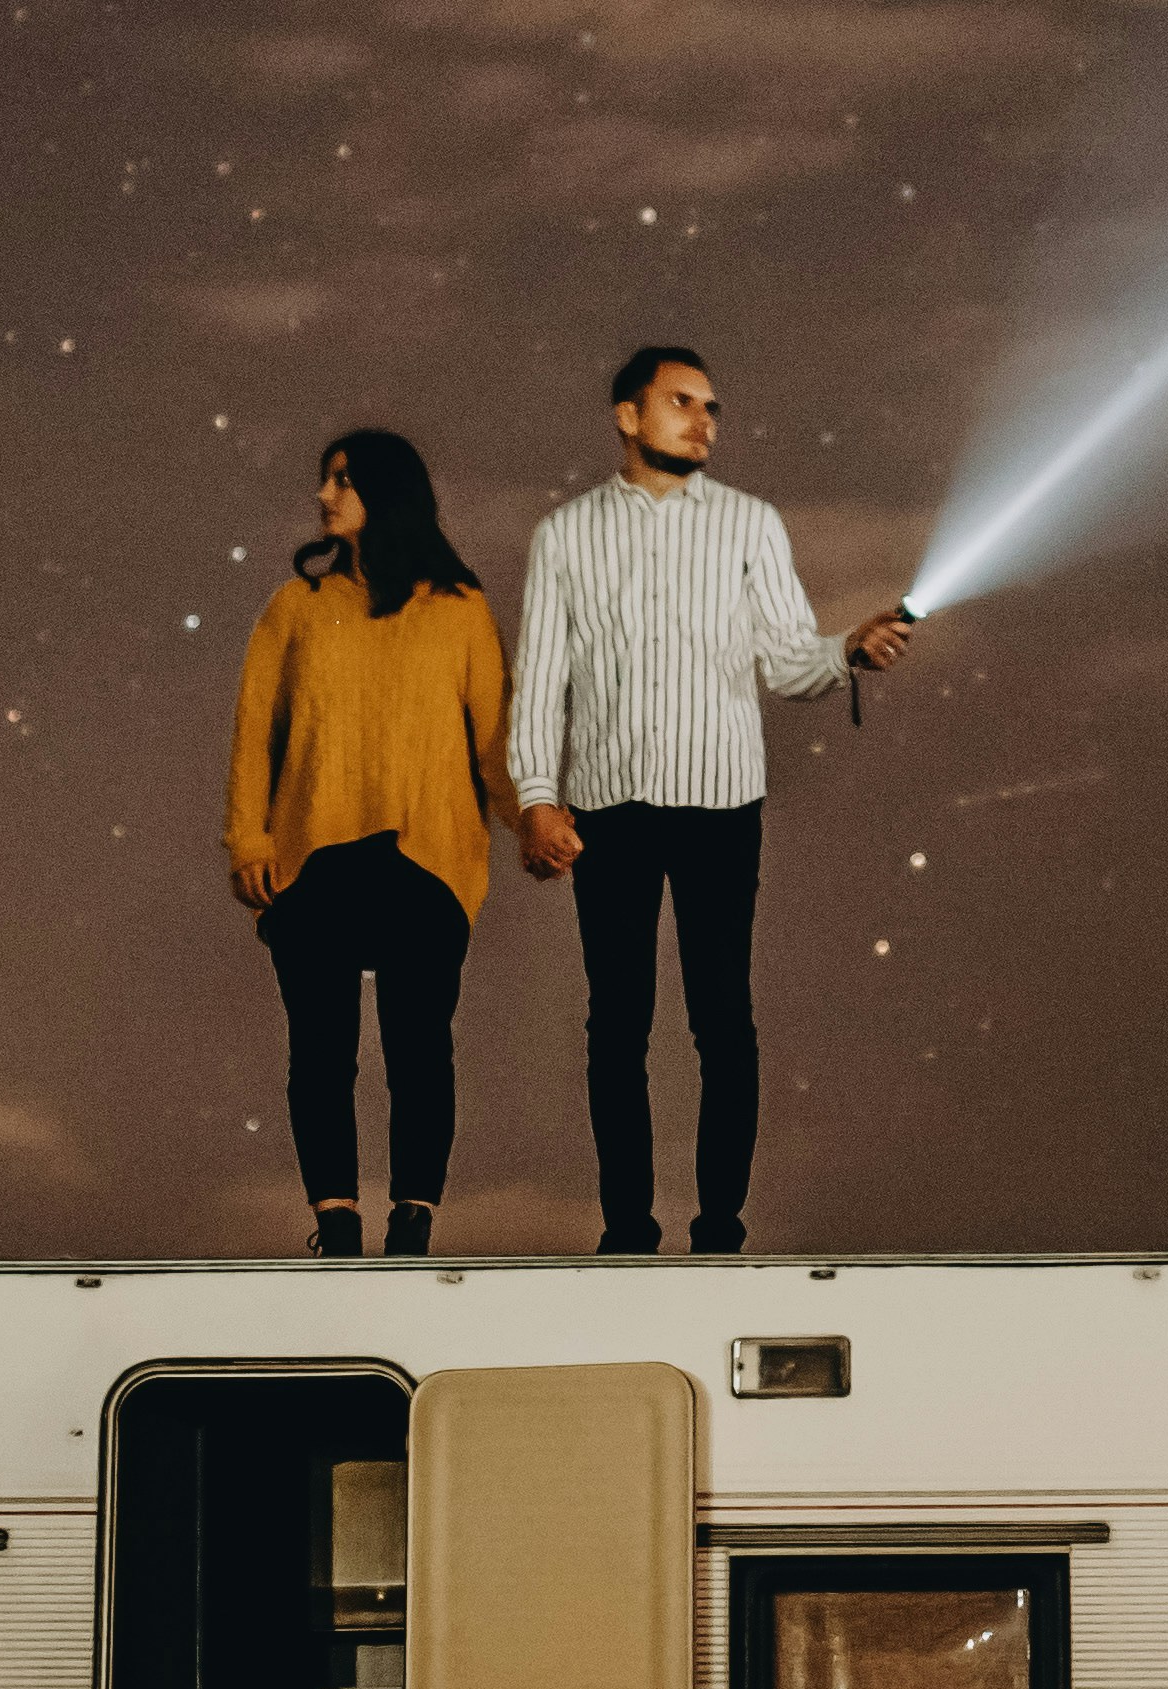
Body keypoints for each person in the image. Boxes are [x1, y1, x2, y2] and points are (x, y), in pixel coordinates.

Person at [507, 340, 908, 1259]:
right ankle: (628, 1231)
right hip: (608, 803)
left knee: (723, 1018)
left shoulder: (752, 524)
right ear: (628, 416)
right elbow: (541, 680)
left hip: (720, 804)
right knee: (617, 1025)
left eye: (713, 408)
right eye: (684, 403)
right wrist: (536, 795)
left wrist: (846, 649)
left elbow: (786, 657)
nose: (705, 422)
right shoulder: (564, 535)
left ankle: (720, 1227)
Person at [225, 427, 514, 1257]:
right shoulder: (294, 608)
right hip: (313, 855)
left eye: (341, 481)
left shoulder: (459, 611)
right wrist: (248, 838)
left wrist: (535, 816)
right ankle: (337, 1223)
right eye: (324, 481)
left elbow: (494, 739)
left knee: (419, 1043)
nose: (323, 496)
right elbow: (255, 733)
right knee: (320, 1050)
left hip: (427, 856)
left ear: (387, 493)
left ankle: (414, 1220)